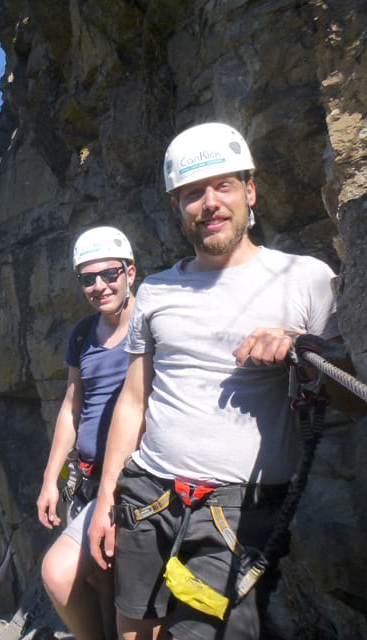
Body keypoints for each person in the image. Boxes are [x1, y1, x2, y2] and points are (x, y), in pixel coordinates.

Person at [88, 122, 342, 640]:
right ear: (178, 207)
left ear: (250, 191)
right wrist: (105, 501)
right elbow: (134, 402)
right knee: (134, 627)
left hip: (237, 513)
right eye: (192, 193)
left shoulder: (308, 278)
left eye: (223, 186)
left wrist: (303, 351)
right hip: (146, 495)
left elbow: (352, 399)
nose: (209, 203)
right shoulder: (156, 292)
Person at [37, 226, 137, 640]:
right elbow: (72, 407)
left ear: (130, 271)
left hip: (134, 483)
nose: (99, 286)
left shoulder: (150, 326)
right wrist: (49, 480)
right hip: (89, 480)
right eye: (87, 278)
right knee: (82, 578)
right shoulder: (82, 334)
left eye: (110, 274)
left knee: (112, 581)